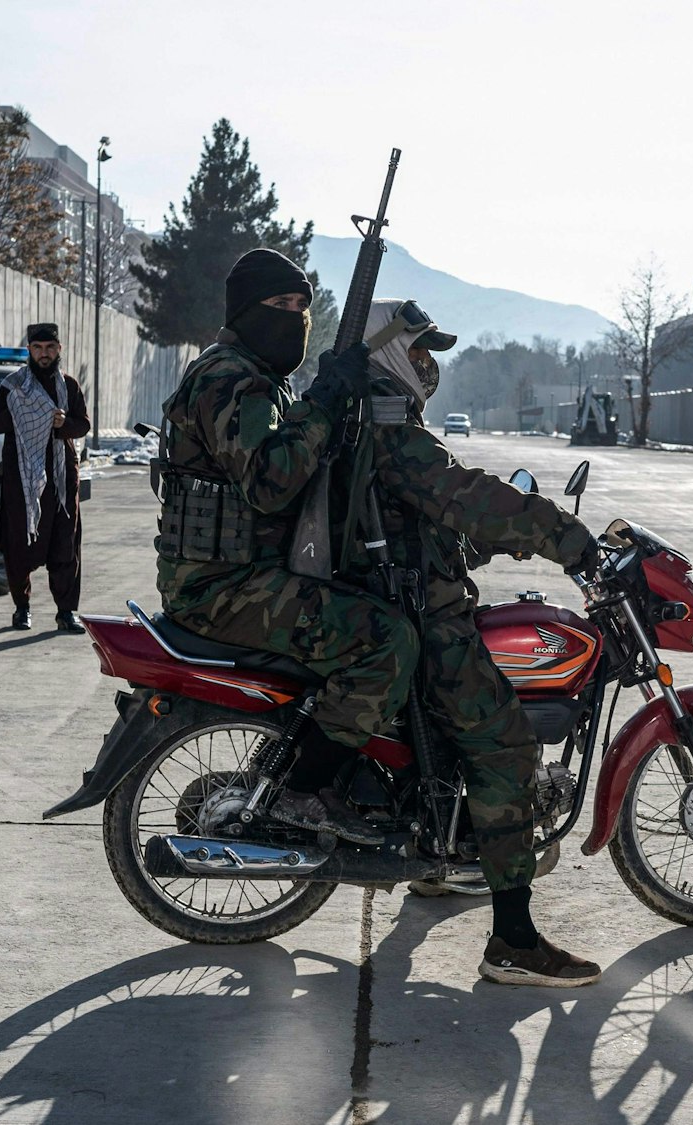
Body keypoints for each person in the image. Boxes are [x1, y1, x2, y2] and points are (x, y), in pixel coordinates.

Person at [283, 298, 604, 987]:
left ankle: (441, 856)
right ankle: (513, 941)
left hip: (408, 597)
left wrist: (479, 542)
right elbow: (467, 494)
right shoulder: (392, 431)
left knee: (460, 736)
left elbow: (434, 517)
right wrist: (566, 538)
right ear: (393, 354)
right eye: (422, 349)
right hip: (425, 618)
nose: (431, 364)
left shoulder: (372, 422)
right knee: (506, 746)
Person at [156, 248, 416, 846]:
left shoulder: (260, 378)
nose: (294, 317)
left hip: (247, 574)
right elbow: (271, 480)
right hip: (221, 588)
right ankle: (302, 790)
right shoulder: (229, 378)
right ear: (247, 311)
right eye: (280, 305)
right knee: (385, 641)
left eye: (302, 306)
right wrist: (322, 401)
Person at [0, 323, 90, 633]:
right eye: (38, 348)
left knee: (65, 544)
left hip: (60, 478)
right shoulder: (13, 386)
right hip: (22, 480)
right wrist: (22, 413)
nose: (44, 354)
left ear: (59, 350)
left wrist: (61, 422)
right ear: (29, 350)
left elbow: (82, 425)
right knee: (20, 543)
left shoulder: (69, 386)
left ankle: (66, 612)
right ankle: (22, 608)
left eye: (50, 348)